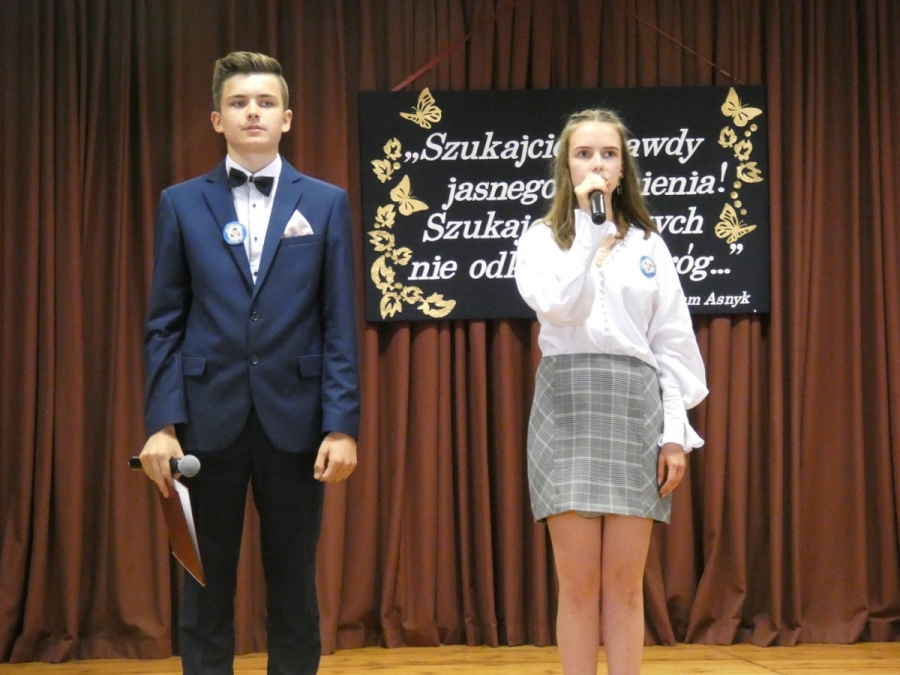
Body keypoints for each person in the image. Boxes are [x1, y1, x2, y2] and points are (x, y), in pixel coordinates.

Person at [139, 51, 360, 675]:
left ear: (287, 117)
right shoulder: (181, 203)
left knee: (294, 587)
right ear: (218, 119)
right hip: (205, 421)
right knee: (203, 586)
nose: (253, 112)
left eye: (265, 102)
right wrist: (163, 422)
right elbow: (164, 323)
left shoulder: (326, 203)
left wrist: (341, 425)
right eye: (238, 103)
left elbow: (339, 323)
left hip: (297, 422)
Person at [514, 109, 708, 675]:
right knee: (577, 586)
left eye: (608, 154)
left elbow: (671, 345)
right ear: (566, 167)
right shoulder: (541, 240)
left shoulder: (650, 245)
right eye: (584, 154)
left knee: (624, 586)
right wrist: (588, 233)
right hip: (566, 407)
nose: (597, 163)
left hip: (634, 408)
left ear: (623, 169)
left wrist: (674, 435)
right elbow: (560, 306)